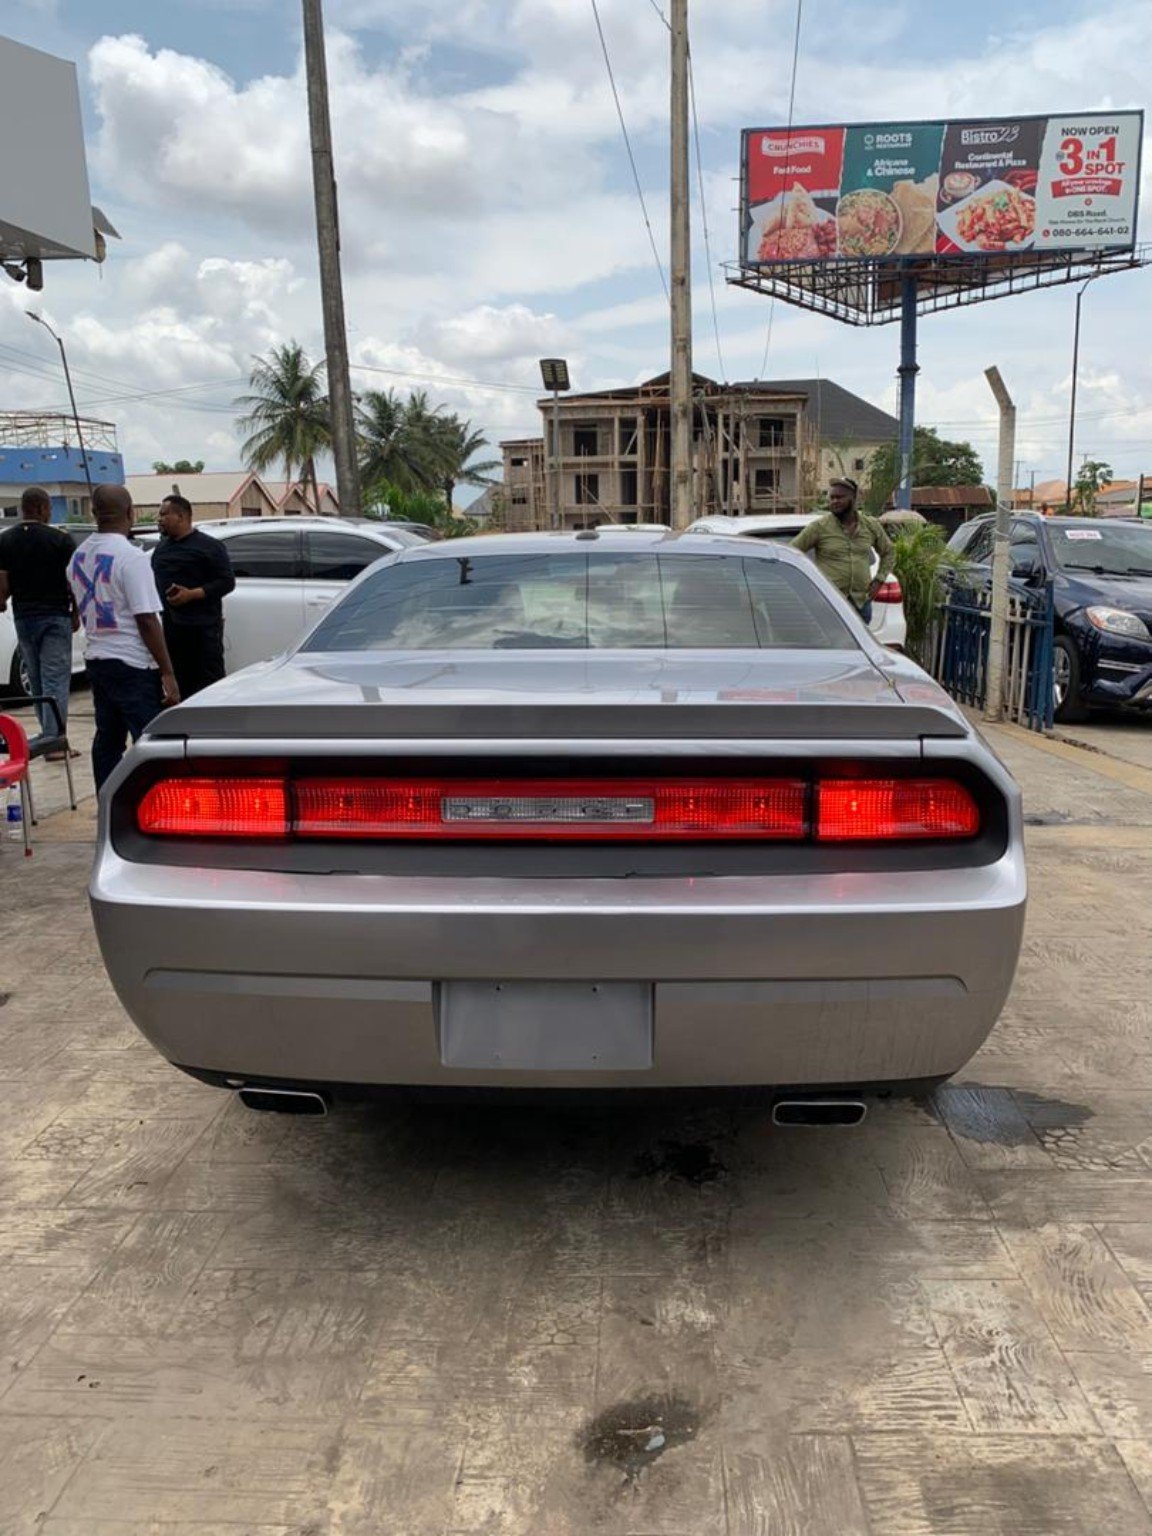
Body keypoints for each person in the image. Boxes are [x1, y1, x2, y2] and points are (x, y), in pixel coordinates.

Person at [68, 483, 179, 791]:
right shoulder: (132, 558)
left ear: (94, 513)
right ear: (130, 513)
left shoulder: (77, 557)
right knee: (150, 740)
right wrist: (167, 672)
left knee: (107, 740)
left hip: (98, 659)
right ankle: (154, 803)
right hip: (132, 663)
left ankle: (108, 800)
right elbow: (146, 619)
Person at [0, 487, 79, 756]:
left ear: (23, 508)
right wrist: (76, 613)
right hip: (55, 616)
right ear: (44, 508)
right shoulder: (61, 540)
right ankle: (54, 741)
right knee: (55, 678)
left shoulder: (5, 540)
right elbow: (74, 582)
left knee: (36, 679)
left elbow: (3, 585)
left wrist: (2, 602)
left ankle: (49, 736)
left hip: (24, 617)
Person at [151, 494, 235, 699]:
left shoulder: (210, 547)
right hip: (172, 630)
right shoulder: (161, 549)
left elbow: (227, 582)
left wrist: (193, 594)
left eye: (164, 514)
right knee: (180, 686)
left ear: (181, 516)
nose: (159, 519)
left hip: (204, 630)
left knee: (209, 687)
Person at [791, 477, 895, 623]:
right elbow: (791, 553)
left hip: (860, 603)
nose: (834, 501)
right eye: (832, 498)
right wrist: (808, 584)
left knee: (861, 645)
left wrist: (879, 581)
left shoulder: (870, 526)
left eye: (839, 497)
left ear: (853, 498)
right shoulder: (819, 527)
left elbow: (889, 552)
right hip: (829, 603)